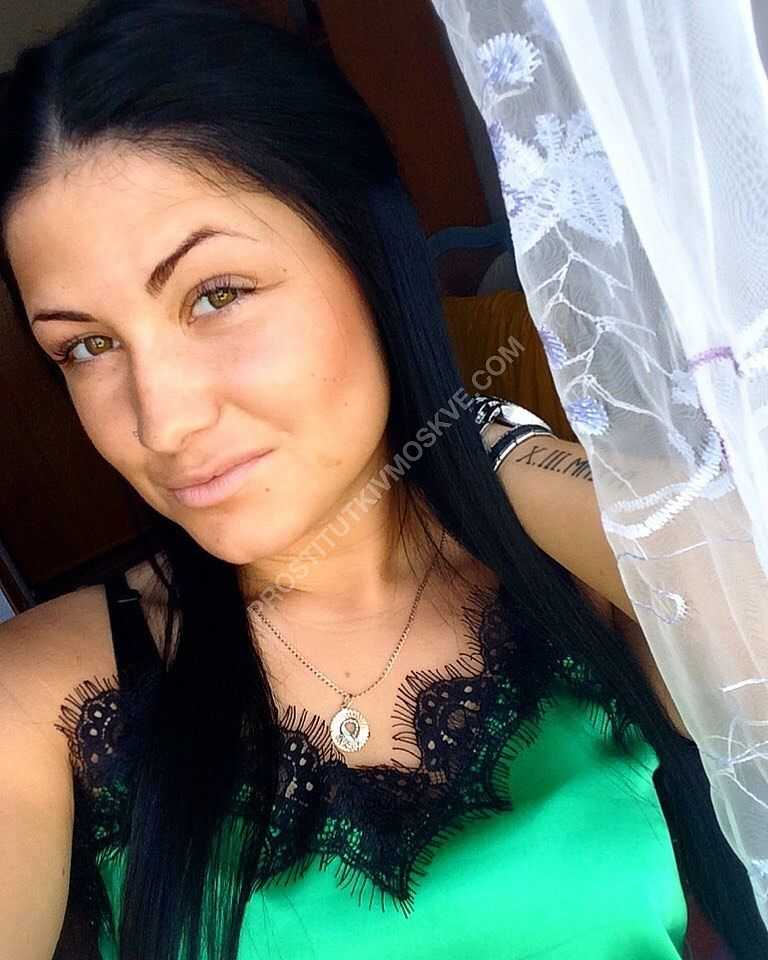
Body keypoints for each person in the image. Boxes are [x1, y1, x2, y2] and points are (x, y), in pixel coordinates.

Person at [0, 1, 764, 958]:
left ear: (369, 256)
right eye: (86, 346)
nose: (161, 421)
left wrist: (472, 438)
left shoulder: (574, 587)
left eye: (217, 294)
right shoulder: (43, 698)